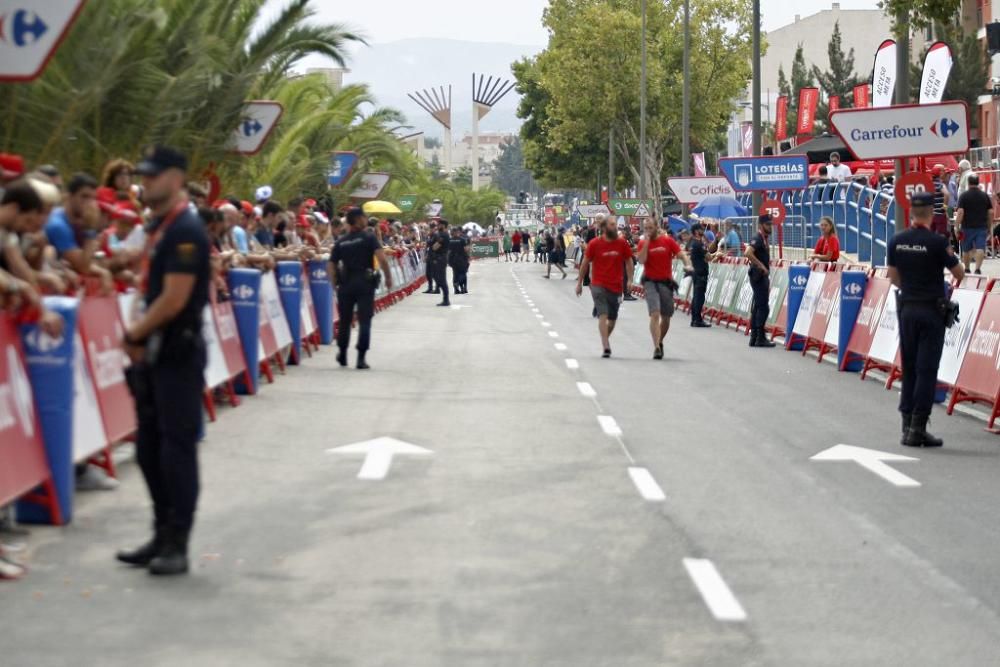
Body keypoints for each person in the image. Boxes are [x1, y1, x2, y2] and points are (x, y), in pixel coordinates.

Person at [117, 146, 211, 576]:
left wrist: (135, 332)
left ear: (176, 178)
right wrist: (136, 330)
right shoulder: (159, 227)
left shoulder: (186, 229)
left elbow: (173, 299)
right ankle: (159, 531)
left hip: (176, 351)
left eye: (152, 176)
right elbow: (146, 289)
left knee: (175, 450)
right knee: (149, 448)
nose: (144, 182)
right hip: (151, 353)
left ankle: (177, 541)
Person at [887, 192, 965, 448]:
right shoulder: (937, 242)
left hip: (907, 308)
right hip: (931, 311)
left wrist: (911, 286)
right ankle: (918, 429)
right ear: (932, 213)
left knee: (909, 367)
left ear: (911, 213)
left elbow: (893, 277)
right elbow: (959, 273)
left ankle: (906, 425)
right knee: (927, 369)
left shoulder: (897, 241)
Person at [330, 207, 394, 369]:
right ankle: (361, 358)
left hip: (345, 283)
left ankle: (343, 354)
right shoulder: (369, 237)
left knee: (345, 321)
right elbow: (382, 258)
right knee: (365, 320)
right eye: (364, 217)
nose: (366, 220)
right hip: (365, 283)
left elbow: (331, 265)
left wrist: (334, 284)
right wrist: (388, 277)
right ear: (358, 219)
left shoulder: (341, 241)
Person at [575, 216, 634, 358]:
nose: (615, 227)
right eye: (612, 225)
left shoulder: (622, 243)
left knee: (612, 319)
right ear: (604, 227)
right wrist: (580, 284)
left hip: (616, 286)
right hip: (598, 284)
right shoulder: (595, 244)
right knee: (603, 314)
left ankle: (605, 337)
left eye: (615, 225)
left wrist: (630, 280)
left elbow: (629, 261)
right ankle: (605, 345)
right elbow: (585, 263)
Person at [637, 219, 692, 359]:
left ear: (657, 227)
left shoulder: (667, 241)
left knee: (666, 317)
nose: (648, 230)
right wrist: (647, 243)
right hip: (650, 282)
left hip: (665, 282)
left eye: (650, 227)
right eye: (646, 228)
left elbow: (681, 254)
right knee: (654, 313)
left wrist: (687, 265)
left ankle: (660, 341)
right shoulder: (643, 243)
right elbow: (641, 260)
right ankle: (656, 347)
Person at [744, 213, 777, 348]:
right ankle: (760, 337)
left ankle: (755, 337)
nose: (770, 227)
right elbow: (747, 253)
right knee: (763, 307)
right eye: (767, 224)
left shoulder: (763, 238)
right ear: (761, 225)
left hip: (760, 276)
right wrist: (761, 265)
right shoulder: (757, 238)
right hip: (758, 276)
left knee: (758, 306)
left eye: (771, 224)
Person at [955, 174, 992, 275]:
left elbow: (960, 212)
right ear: (978, 182)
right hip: (981, 226)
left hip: (967, 227)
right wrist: (989, 226)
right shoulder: (984, 196)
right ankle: (977, 269)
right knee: (980, 247)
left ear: (968, 183)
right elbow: (990, 212)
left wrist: (957, 226)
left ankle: (967, 268)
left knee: (966, 249)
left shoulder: (964, 196)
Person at [688, 223, 711, 328]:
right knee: (699, 297)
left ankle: (695, 319)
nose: (703, 231)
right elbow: (708, 257)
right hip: (700, 273)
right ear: (697, 231)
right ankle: (697, 320)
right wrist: (718, 254)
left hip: (696, 272)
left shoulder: (693, 243)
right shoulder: (698, 243)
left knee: (696, 296)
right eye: (701, 229)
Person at [429, 218, 451, 307]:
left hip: (441, 258)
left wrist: (433, 244)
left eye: (439, 225)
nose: (438, 226)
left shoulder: (443, 235)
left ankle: (446, 300)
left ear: (443, 225)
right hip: (439, 258)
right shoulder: (442, 234)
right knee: (437, 277)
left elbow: (435, 247)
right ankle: (445, 299)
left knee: (441, 279)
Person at [448, 226, 470, 294]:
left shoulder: (449, 240)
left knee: (455, 273)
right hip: (461, 259)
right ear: (458, 232)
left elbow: (448, 251)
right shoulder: (462, 240)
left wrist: (449, 260)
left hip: (453, 259)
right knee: (463, 273)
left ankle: (456, 289)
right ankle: (463, 287)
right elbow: (466, 249)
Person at [930, 165, 950, 238]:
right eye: (943, 170)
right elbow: (947, 194)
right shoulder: (940, 184)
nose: (945, 173)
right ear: (940, 173)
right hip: (940, 215)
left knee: (931, 237)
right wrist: (944, 208)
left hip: (931, 215)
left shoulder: (929, 184)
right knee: (942, 237)